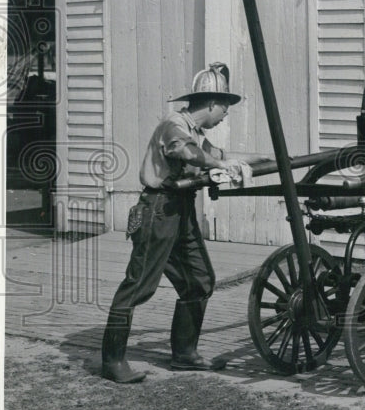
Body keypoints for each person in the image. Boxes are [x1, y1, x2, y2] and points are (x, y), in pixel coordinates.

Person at [101, 62, 273, 383]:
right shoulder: (173, 126)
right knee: (138, 285)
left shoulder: (196, 133)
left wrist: (265, 158)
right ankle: (112, 361)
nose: (226, 114)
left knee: (199, 280)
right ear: (210, 104)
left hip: (182, 210)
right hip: (158, 211)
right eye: (225, 107)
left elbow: (219, 152)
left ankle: (184, 354)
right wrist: (223, 164)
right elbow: (187, 152)